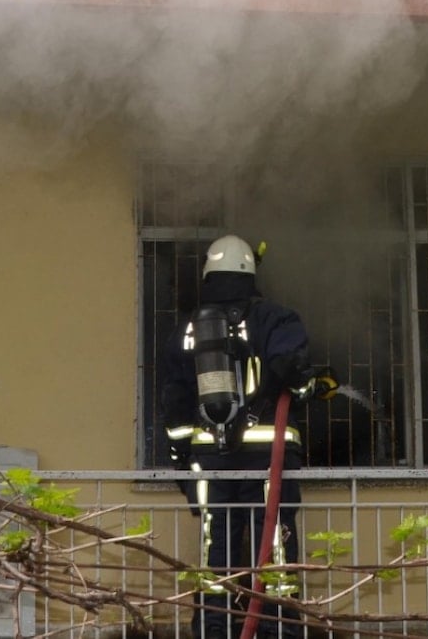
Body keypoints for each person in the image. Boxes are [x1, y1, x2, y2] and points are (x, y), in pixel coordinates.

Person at [160, 235, 334, 639]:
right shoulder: (276, 318)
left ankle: (212, 631)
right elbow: (290, 367)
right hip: (268, 458)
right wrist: (310, 386)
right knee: (273, 548)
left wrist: (180, 458)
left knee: (214, 553)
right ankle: (280, 631)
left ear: (208, 274)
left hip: (209, 462)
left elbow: (173, 399)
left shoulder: (188, 328)